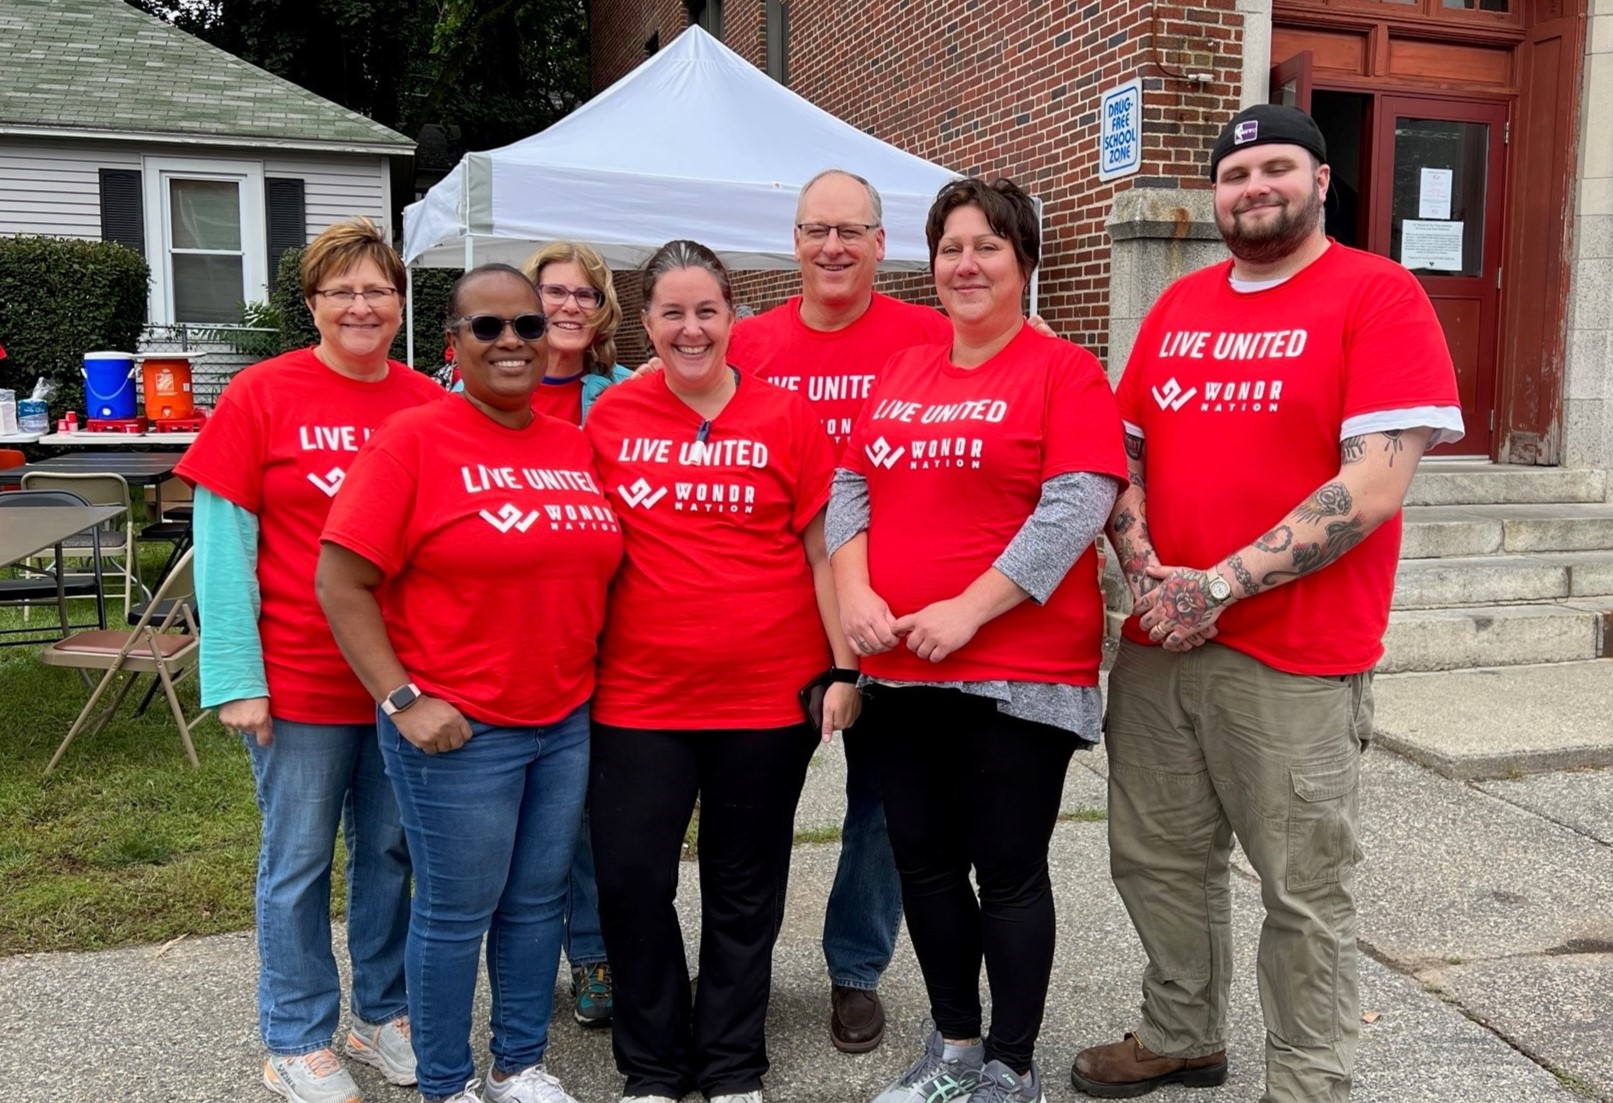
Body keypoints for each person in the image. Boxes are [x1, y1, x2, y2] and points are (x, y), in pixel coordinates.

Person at [1070, 104, 1463, 1103]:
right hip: (1162, 638)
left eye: (1275, 167)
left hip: (1294, 650)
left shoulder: (1376, 296)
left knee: (1302, 886)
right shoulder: (1179, 304)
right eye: (1235, 173)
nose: (1253, 187)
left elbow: (1371, 483)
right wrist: (1145, 563)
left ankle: (1307, 1075)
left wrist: (1221, 585)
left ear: (1320, 179)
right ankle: (1181, 1031)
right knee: (1155, 858)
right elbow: (1119, 452)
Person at [832, 177, 1128, 1103]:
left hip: (1016, 672)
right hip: (901, 668)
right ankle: (954, 1048)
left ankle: (1010, 1062)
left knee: (1004, 869)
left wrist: (970, 605)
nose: (965, 263)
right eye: (951, 246)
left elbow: (1080, 500)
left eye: (987, 246)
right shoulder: (904, 372)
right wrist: (854, 594)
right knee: (920, 861)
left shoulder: (1061, 369)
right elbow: (850, 488)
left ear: (1024, 262)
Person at [316, 264, 623, 1103]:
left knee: (536, 902)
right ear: (455, 342)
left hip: (560, 718)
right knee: (455, 913)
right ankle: (447, 1082)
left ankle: (517, 1064)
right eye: (488, 328)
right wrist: (403, 699)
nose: (513, 342)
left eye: (527, 325)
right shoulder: (414, 439)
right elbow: (340, 582)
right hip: (458, 731)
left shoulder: (572, 444)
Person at [583, 239, 859, 1103]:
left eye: (707, 310)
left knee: (745, 888)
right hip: (637, 699)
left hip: (765, 699)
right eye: (673, 312)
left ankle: (733, 1063)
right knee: (632, 882)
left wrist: (845, 667)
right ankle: (655, 1065)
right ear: (644, 322)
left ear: (732, 315)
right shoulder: (614, 419)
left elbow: (827, 552)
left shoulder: (788, 418)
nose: (692, 328)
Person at [178, 217, 442, 1103]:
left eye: (377, 290)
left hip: (399, 685)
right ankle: (294, 1035)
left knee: (393, 854)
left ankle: (380, 1010)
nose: (361, 306)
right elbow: (221, 547)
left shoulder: (428, 403)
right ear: (313, 305)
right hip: (295, 677)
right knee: (296, 861)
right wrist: (235, 677)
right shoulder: (261, 394)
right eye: (342, 291)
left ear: (400, 304)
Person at [724, 168, 952, 1054]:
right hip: (776, 613)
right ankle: (743, 966)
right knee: (754, 805)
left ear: (879, 242)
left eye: (850, 231)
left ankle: (854, 968)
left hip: (896, 613)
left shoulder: (929, 333)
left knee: (883, 806)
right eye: (816, 230)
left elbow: (1017, 358)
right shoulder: (748, 341)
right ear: (793, 240)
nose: (832, 247)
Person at [519, 240, 632, 1028]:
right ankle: (516, 964)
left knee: (592, 813)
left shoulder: (625, 396)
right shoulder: (482, 390)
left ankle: (593, 954)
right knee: (514, 819)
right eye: (551, 292)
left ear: (601, 311)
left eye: (581, 295)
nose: (565, 306)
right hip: (510, 632)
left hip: (607, 634)